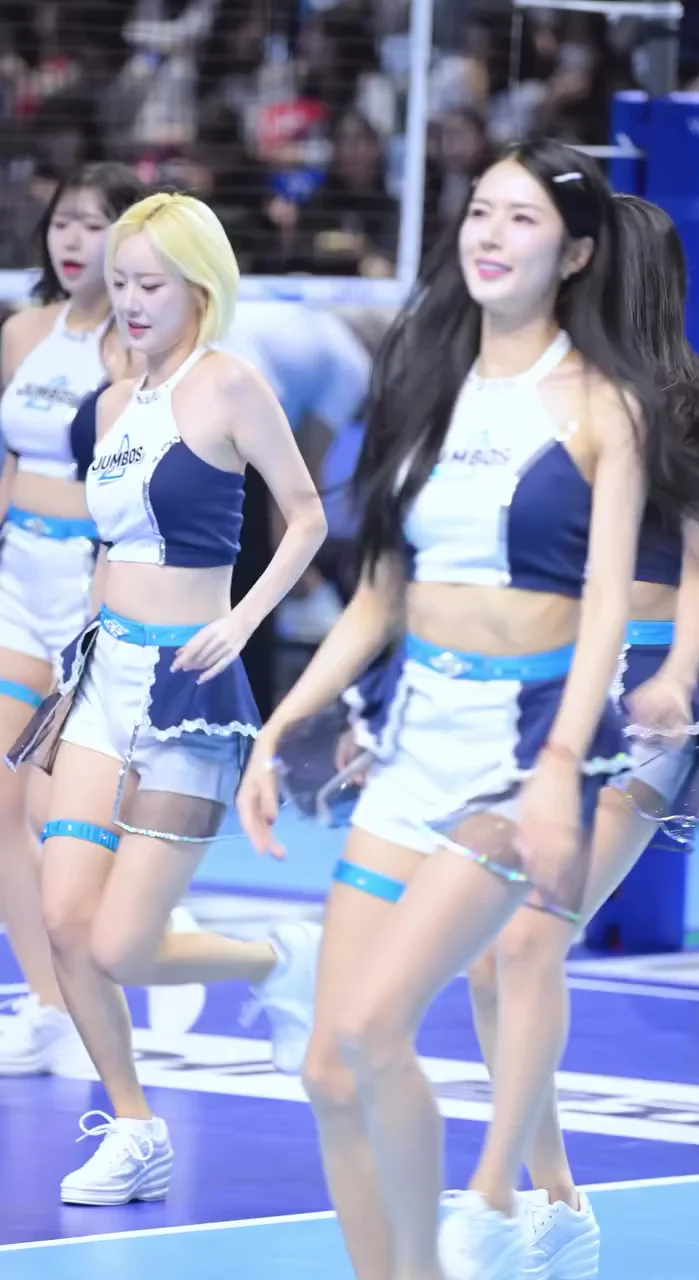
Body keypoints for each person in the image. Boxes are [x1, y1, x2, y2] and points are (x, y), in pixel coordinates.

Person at [237, 140, 699, 1280]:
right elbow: (384, 595)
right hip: (422, 740)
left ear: (579, 256)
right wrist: (282, 722)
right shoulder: (427, 385)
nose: (491, 235)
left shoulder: (625, 407)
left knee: (428, 997)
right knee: (336, 1062)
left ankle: (496, 1198)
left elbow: (624, 595)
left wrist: (573, 755)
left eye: (523, 219)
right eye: (481, 211)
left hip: (542, 740)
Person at [6, 191, 327, 1205]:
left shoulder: (230, 384)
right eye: (122, 283)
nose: (131, 301)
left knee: (122, 943)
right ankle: (135, 1126)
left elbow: (307, 516)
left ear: (198, 286)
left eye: (151, 283)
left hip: (190, 694)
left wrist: (244, 618)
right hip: (102, 682)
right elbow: (110, 544)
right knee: (64, 924)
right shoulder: (109, 402)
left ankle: (278, 958)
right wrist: (75, 657)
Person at [441, 194, 699, 1280]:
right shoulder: (550, 394)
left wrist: (679, 674)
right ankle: (556, 1202)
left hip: (644, 702)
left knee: (524, 944)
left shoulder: (688, 403)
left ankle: (505, 1196)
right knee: (491, 959)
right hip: (548, 693)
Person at [0, 162, 147, 1074]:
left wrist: (107, 597)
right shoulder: (23, 332)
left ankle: (103, 983)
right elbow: (10, 458)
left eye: (95, 224)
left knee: (62, 821)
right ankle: (48, 1004)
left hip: (90, 590)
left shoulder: (134, 348)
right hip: (16, 580)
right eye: (64, 221)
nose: (73, 239)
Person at [219, 300, 374, 642]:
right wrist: (311, 591)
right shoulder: (355, 368)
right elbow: (302, 489)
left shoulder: (317, 334)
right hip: (229, 380)